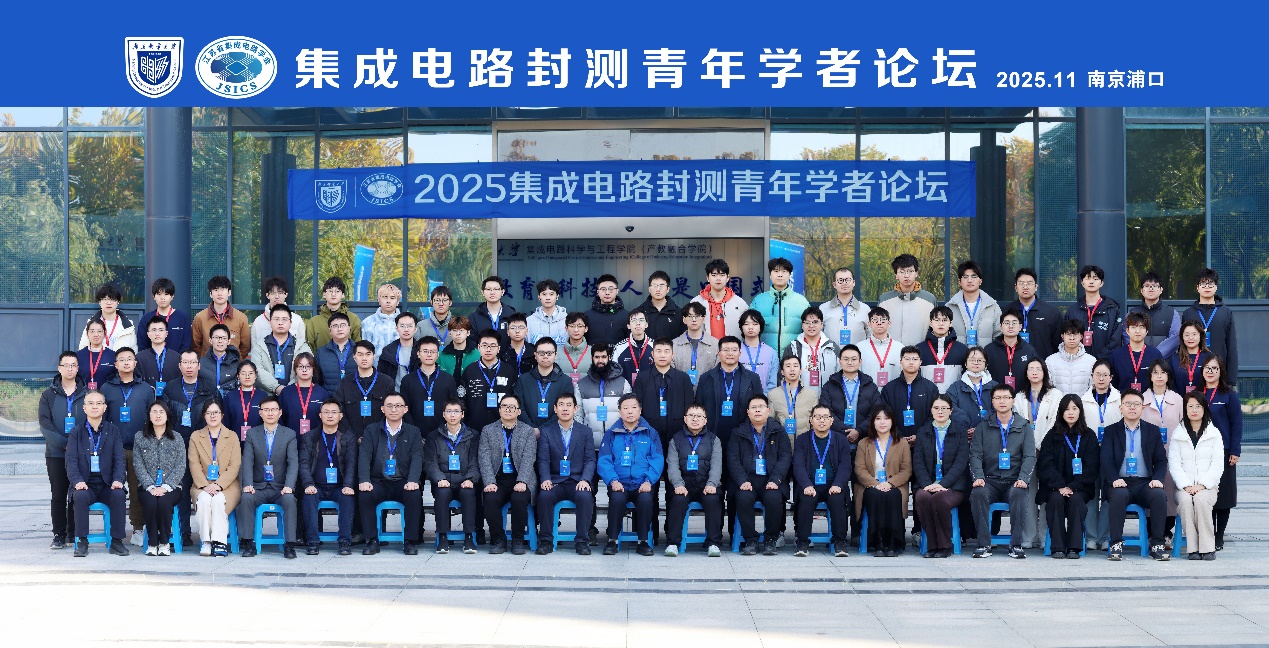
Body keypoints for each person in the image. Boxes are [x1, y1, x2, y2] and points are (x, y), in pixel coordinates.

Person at [1101, 389, 1170, 560]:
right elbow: (1105, 460)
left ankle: (1157, 544)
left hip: (1144, 483)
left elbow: (1161, 460)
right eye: (1128, 404)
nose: (1132, 407)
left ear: (1142, 408)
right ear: (1121, 407)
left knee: (1159, 495)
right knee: (1118, 495)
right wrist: (1114, 479)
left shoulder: (1152, 431)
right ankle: (1116, 544)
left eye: (1136, 404)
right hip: (1120, 482)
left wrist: (1157, 479)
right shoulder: (1110, 431)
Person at [969, 384, 1036, 559]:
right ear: (992, 402)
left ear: (1013, 400)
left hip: (1014, 480)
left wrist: (1023, 478)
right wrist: (978, 477)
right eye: (998, 398)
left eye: (1006, 397)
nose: (1002, 401)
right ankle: (984, 544)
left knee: (1019, 494)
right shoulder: (983, 427)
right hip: (989, 480)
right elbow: (975, 455)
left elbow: (1029, 456)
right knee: (977, 493)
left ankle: (1015, 544)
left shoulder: (1024, 426)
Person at [100, 347, 156, 546]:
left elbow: (152, 418)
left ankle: (137, 528)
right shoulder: (106, 388)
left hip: (138, 448)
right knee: (112, 489)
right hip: (112, 449)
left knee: (136, 490)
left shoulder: (146, 389)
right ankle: (113, 529)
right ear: (115, 364)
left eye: (129, 359)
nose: (126, 362)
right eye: (121, 359)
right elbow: (101, 419)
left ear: (135, 363)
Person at [357, 392, 425, 555]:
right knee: (365, 495)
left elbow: (417, 457)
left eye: (398, 406)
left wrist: (413, 480)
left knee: (414, 494)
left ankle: (410, 541)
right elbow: (364, 456)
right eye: (390, 406)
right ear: (383, 409)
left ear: (405, 409)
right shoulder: (371, 430)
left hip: (402, 481)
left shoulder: (413, 432)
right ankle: (372, 540)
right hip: (379, 481)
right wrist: (364, 480)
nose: (394, 409)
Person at [597, 394, 663, 556]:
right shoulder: (611, 433)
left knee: (646, 500)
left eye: (634, 407)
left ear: (640, 410)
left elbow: (657, 460)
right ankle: (612, 540)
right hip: (619, 483)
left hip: (643, 483)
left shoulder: (650, 433)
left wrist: (648, 481)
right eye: (625, 408)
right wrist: (613, 480)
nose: (630, 411)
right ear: (620, 412)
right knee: (617, 499)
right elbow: (604, 460)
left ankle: (643, 542)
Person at [166, 350, 220, 545]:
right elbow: (165, 417)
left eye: (193, 363)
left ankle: (210, 533)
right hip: (178, 445)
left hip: (204, 446)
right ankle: (184, 532)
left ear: (199, 365)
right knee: (181, 490)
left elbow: (217, 416)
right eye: (185, 363)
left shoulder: (209, 387)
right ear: (180, 366)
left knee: (205, 488)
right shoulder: (171, 388)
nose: (189, 366)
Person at [1035, 395, 1100, 558]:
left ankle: (1074, 547)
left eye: (1074, 408)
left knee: (1076, 500)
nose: (1070, 413)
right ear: (1061, 412)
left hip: (1080, 487)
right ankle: (1057, 546)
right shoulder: (1052, 435)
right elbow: (1045, 464)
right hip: (1055, 487)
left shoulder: (1089, 436)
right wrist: (1059, 485)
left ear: (1080, 411)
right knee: (1055, 499)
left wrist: (1072, 487)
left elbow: (1092, 467)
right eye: (1066, 409)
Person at [66, 390, 129, 557]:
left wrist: (118, 479)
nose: (95, 407)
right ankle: (82, 541)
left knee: (118, 495)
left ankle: (117, 541)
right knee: (79, 496)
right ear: (84, 408)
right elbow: (71, 461)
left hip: (107, 483)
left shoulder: (113, 431)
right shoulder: (76, 432)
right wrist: (77, 481)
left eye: (98, 403)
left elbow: (119, 459)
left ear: (104, 407)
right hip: (85, 483)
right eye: (91, 403)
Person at [727, 394, 791, 556]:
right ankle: (750, 540)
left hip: (771, 479)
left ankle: (771, 539)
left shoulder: (778, 431)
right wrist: (742, 480)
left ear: (768, 410)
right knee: (743, 497)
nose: (757, 410)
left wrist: (776, 480)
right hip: (747, 479)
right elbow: (732, 459)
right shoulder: (738, 433)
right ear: (748, 412)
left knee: (774, 498)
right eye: (753, 407)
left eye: (760, 407)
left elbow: (785, 457)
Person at [236, 396, 299, 558]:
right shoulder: (252, 434)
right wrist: (247, 484)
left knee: (290, 500)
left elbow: (293, 463)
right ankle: (248, 543)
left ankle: (289, 545)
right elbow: (247, 461)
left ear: (280, 412)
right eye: (266, 410)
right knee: (246, 498)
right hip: (258, 487)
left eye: (273, 410)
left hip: (280, 488)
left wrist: (289, 486)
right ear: (260, 413)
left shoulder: (289, 434)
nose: (270, 413)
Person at [535, 393, 596, 554]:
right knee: (545, 496)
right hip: (556, 481)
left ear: (575, 409)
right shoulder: (547, 432)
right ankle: (546, 540)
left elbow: (590, 460)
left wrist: (585, 480)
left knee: (585, 496)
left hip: (577, 481)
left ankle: (582, 541)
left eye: (569, 405)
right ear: (555, 409)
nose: (565, 408)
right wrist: (545, 479)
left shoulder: (585, 432)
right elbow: (543, 460)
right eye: (561, 405)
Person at [478, 394, 537, 555]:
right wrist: (489, 482)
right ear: (499, 410)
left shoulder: (527, 431)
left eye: (512, 407)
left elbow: (529, 458)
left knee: (519, 498)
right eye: (504, 406)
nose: (508, 410)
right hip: (497, 480)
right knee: (490, 498)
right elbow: (484, 458)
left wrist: (522, 481)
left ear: (519, 411)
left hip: (521, 479)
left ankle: (518, 538)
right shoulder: (488, 430)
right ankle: (498, 538)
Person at [664, 403, 724, 557]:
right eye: (691, 415)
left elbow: (717, 465)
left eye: (699, 416)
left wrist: (712, 484)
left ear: (705, 420)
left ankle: (713, 543)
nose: (695, 419)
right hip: (684, 485)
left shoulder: (714, 440)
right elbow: (672, 465)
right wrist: (678, 484)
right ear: (685, 419)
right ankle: (673, 543)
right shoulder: (676, 439)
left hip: (706, 484)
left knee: (712, 499)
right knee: (678, 500)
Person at [913, 395, 970, 558]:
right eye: (936, 408)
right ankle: (932, 545)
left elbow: (960, 463)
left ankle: (945, 545)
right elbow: (918, 462)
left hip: (953, 486)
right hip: (927, 484)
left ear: (951, 411)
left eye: (944, 408)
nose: (940, 411)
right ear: (931, 410)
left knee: (939, 499)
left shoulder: (959, 431)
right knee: (922, 498)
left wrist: (943, 484)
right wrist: (927, 484)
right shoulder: (923, 432)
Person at [792, 403, 852, 557]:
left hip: (833, 484)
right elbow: (798, 465)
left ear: (832, 420)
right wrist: (806, 485)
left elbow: (845, 466)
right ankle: (802, 542)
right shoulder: (802, 440)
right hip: (810, 484)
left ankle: (839, 542)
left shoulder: (841, 440)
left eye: (825, 417)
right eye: (818, 417)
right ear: (811, 420)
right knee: (806, 499)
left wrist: (838, 484)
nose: (822, 420)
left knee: (837, 500)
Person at [39, 352, 86, 549]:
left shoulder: (87, 393)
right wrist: (64, 443)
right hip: (56, 454)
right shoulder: (48, 395)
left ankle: (73, 532)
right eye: (66, 365)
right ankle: (58, 534)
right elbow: (45, 424)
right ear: (59, 369)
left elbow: (92, 420)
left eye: (73, 365)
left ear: (77, 368)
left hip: (80, 453)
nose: (70, 368)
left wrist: (76, 445)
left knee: (76, 493)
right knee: (58, 494)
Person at [1169, 392, 1223, 560]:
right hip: (1183, 488)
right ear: (1185, 409)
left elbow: (1217, 465)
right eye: (1190, 406)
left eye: (1198, 406)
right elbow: (1174, 464)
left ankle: (1207, 548)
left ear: (1204, 408)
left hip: (1208, 487)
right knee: (1185, 501)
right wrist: (1186, 485)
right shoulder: (1178, 435)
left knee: (1200, 499)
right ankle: (1192, 548)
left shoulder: (1214, 434)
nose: (1194, 410)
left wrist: (1202, 485)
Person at [1015, 358, 1063, 548]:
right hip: (1025, 451)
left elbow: (1055, 422)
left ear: (1044, 372)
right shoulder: (1019, 396)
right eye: (1030, 369)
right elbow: (1018, 422)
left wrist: (1041, 444)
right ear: (1026, 373)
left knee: (1046, 493)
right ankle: (1028, 536)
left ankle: (1044, 536)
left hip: (1048, 450)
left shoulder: (1055, 394)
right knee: (1027, 492)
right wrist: (1030, 446)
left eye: (1038, 369)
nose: (1034, 372)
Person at [299, 399, 356, 555]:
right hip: (316, 485)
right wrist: (308, 484)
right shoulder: (310, 437)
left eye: (334, 412)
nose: (330, 415)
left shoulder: (348, 437)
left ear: (340, 416)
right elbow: (304, 463)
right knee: (308, 497)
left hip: (339, 486)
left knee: (347, 498)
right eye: (326, 412)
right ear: (320, 415)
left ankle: (344, 542)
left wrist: (348, 485)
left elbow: (351, 464)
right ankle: (312, 541)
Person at [425, 399, 481, 555]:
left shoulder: (473, 435)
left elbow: (475, 461)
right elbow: (430, 463)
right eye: (449, 411)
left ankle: (469, 536)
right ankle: (442, 536)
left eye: (456, 411)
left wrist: (470, 479)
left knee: (469, 494)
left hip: (464, 481)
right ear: (443, 414)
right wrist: (439, 479)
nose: (452, 415)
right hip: (443, 481)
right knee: (442, 494)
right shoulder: (433, 436)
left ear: (462, 414)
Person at [854, 405, 911, 557]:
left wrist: (890, 483)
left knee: (892, 495)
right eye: (878, 418)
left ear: (892, 421)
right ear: (873, 422)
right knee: (875, 495)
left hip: (895, 485)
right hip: (870, 485)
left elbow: (906, 470)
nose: (882, 422)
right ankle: (878, 541)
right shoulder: (864, 443)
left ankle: (892, 541)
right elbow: (860, 470)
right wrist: (876, 484)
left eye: (886, 418)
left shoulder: (902, 443)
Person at [187, 401, 241, 557]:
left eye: (216, 412)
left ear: (222, 415)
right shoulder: (196, 436)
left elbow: (234, 465)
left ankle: (219, 541)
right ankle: (206, 541)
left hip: (227, 485)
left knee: (218, 500)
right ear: (204, 416)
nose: (212, 416)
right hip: (202, 484)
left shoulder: (232, 436)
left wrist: (218, 485)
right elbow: (194, 464)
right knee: (204, 499)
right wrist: (205, 485)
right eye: (209, 413)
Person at [132, 400, 186, 556]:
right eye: (154, 412)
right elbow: (138, 465)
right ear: (149, 416)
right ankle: (152, 543)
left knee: (163, 502)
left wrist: (166, 487)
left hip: (172, 487)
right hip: (147, 487)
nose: (158, 415)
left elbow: (180, 466)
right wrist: (150, 486)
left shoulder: (177, 438)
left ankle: (164, 542)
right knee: (150, 502)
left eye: (161, 412)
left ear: (167, 415)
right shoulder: (140, 437)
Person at [1200, 355, 1241, 551]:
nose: (1210, 372)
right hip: (1201, 452)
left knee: (1224, 495)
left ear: (1221, 371)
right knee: (1206, 493)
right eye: (1207, 368)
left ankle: (1219, 536)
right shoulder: (1197, 394)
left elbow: (1236, 424)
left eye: (1214, 368)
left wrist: (1235, 450)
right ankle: (1207, 533)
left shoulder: (1229, 395)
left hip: (1224, 452)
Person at [632, 338, 695, 460]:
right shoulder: (642, 378)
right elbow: (636, 407)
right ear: (652, 354)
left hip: (678, 434)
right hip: (649, 434)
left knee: (674, 467)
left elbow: (689, 407)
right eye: (659, 351)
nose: (662, 355)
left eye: (667, 351)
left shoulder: (683, 378)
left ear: (673, 354)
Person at [1141, 358, 1183, 539]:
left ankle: (1167, 532)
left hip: (1172, 455)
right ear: (1150, 376)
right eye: (1155, 373)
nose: (1159, 376)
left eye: (1163, 373)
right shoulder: (1142, 399)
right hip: (1148, 457)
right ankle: (1152, 533)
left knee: (1170, 491)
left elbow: (1184, 427)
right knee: (1152, 491)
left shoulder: (1178, 400)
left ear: (1168, 376)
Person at [696, 336, 765, 446]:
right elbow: (698, 408)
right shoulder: (706, 378)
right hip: (712, 436)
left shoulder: (752, 378)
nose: (730, 353)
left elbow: (760, 407)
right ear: (719, 353)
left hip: (744, 437)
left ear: (740, 353)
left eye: (734, 350)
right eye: (726, 350)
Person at [1082, 360, 1121, 549]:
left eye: (1105, 375)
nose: (1101, 378)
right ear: (1092, 377)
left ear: (1111, 377)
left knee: (1107, 495)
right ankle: (1090, 536)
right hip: (1089, 453)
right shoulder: (1083, 400)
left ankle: (1104, 537)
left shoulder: (1119, 399)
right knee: (1090, 494)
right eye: (1097, 374)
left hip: (1111, 453)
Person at [1183, 268, 1238, 386]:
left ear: (1216, 287)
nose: (1207, 287)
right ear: (1197, 287)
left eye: (1210, 283)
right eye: (1203, 283)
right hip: (1194, 373)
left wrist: (1230, 380)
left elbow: (1231, 346)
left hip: (1219, 373)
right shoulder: (1188, 313)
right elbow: (1182, 346)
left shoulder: (1226, 312)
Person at [460, 330, 520, 432]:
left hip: (502, 427)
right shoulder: (470, 370)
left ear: (498, 348)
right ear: (479, 347)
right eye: (484, 345)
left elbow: (515, 398)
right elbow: (462, 399)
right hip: (473, 427)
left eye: (492, 346)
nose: (488, 349)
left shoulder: (508, 371)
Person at [333, 341, 393, 439]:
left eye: (368, 354)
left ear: (374, 356)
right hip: (351, 440)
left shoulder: (386, 382)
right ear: (354, 357)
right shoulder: (345, 383)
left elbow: (391, 412)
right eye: (360, 354)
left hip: (379, 438)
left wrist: (375, 435)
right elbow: (339, 410)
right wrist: (353, 436)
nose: (364, 358)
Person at [400, 336, 459, 436]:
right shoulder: (408, 380)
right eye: (425, 351)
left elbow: (453, 406)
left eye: (433, 351)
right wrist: (414, 433)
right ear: (418, 354)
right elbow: (405, 409)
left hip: (442, 435)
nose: (429, 354)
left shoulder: (448, 379)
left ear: (438, 354)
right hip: (415, 435)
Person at [750, 258, 809, 352]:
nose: (780, 275)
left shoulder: (802, 302)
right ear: (770, 275)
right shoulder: (758, 301)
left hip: (793, 357)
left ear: (789, 275)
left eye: (784, 271)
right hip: (764, 356)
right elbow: (749, 330)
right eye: (776, 271)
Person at [575, 344, 631, 445]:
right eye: (597, 357)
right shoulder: (581, 385)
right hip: (590, 445)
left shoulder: (623, 383)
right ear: (592, 358)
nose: (600, 360)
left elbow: (629, 412)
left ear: (609, 358)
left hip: (617, 444)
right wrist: (582, 439)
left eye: (603, 357)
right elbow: (577, 415)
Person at [251, 304, 312, 396]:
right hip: (267, 397)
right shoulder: (260, 346)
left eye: (284, 319)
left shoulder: (301, 346)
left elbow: (309, 368)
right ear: (270, 322)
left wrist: (288, 389)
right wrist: (276, 387)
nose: (280, 323)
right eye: (276, 319)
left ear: (290, 323)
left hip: (296, 395)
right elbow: (257, 370)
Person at [1064, 265, 1123, 360]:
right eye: (1088, 278)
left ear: (1101, 283)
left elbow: (1115, 341)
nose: (1091, 282)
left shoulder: (1113, 310)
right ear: (1082, 282)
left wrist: (1099, 361)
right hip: (1077, 363)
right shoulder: (1072, 311)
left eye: (1095, 279)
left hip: (1104, 364)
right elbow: (1066, 337)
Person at [881, 346, 938, 444]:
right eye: (907, 359)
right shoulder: (889, 388)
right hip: (895, 441)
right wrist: (898, 435)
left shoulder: (930, 388)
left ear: (920, 362)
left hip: (924, 441)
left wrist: (919, 435)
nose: (911, 362)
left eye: (915, 359)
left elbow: (934, 415)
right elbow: (884, 415)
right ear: (901, 362)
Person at [877, 254, 937, 347]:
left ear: (916, 273)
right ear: (896, 275)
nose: (906, 275)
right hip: (890, 353)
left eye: (910, 271)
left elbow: (936, 330)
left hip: (920, 353)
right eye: (902, 272)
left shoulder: (929, 299)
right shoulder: (884, 300)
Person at [513, 337, 572, 431]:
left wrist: (543, 430)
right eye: (541, 353)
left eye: (549, 353)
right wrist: (532, 429)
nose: (545, 356)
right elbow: (519, 407)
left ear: (555, 355)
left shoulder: (565, 381)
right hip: (527, 431)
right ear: (535, 355)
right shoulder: (523, 380)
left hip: (556, 432)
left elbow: (565, 409)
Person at [1005, 268, 1063, 359]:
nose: (1025, 287)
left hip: (1043, 364)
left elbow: (1058, 343)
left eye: (1029, 283)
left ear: (1036, 287)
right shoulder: (1007, 311)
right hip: (1014, 363)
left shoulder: (1051, 312)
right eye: (1021, 283)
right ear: (1016, 287)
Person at [191, 275, 251, 358]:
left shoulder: (241, 318)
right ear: (210, 294)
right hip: (207, 364)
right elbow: (196, 346)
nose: (219, 294)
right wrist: (205, 361)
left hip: (233, 364)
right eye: (216, 290)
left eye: (223, 289)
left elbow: (245, 346)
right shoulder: (200, 318)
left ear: (229, 293)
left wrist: (236, 361)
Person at [947, 260, 1001, 348]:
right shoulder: (950, 307)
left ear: (980, 281)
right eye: (965, 277)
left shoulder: (993, 307)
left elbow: (999, 336)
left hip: (985, 355)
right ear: (959, 282)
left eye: (974, 276)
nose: (970, 280)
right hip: (958, 356)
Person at [1126, 272, 1180, 359]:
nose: (1151, 288)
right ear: (1141, 290)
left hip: (1164, 363)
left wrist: (1154, 356)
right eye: (1147, 286)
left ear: (1161, 290)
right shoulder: (1132, 312)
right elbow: (1126, 336)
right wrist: (1140, 355)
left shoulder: (1172, 313)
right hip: (1137, 361)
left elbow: (1175, 338)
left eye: (1155, 286)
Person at [690, 259, 748, 339]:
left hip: (731, 346)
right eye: (714, 275)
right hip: (704, 346)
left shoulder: (739, 303)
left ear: (728, 278)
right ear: (707, 278)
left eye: (722, 275)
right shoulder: (696, 302)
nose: (718, 278)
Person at [983, 309, 1039, 391]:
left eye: (1014, 323)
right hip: (995, 395)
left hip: (1022, 396)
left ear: (1020, 327)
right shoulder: (989, 350)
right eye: (1007, 323)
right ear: (1001, 327)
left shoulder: (1029, 350)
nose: (1011, 326)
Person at [783, 306, 838, 389]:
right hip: (800, 396)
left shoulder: (832, 347)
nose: (811, 326)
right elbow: (783, 375)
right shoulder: (793, 348)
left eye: (815, 322)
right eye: (807, 323)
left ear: (821, 325)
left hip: (827, 396)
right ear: (802, 325)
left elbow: (840, 373)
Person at [918, 306, 968, 393]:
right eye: (937, 320)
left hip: (953, 399)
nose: (941, 323)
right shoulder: (919, 350)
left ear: (950, 323)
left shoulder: (962, 350)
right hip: (926, 398)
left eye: (945, 320)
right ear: (931, 323)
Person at [250, 276, 307, 352]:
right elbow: (254, 350)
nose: (277, 297)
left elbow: (302, 350)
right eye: (273, 293)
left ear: (286, 294)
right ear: (267, 295)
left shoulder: (297, 320)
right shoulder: (258, 322)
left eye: (280, 293)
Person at [1110, 311, 1162, 393]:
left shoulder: (1155, 354)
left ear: (1146, 331)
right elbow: (1112, 383)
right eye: (1133, 327)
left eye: (1141, 327)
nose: (1137, 331)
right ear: (1127, 331)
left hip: (1148, 399)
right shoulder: (1116, 355)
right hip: (1122, 399)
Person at [947, 347, 996, 434]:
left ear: (986, 364)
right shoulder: (955, 387)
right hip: (963, 434)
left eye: (980, 360)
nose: (976, 363)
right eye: (972, 360)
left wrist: (981, 428)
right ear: (965, 363)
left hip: (989, 434)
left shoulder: (995, 387)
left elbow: (999, 409)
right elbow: (951, 408)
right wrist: (966, 427)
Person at [138, 277, 192, 355]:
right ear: (154, 296)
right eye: (159, 294)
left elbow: (186, 344)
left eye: (166, 294)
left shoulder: (182, 318)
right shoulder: (146, 318)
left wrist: (177, 359)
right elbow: (142, 345)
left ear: (172, 296)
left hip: (177, 361)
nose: (162, 298)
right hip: (151, 361)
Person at [279, 352, 329, 436]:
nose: (304, 370)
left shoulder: (322, 393)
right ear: (295, 369)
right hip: (291, 439)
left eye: (308, 366)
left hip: (316, 440)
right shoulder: (286, 392)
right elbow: (280, 419)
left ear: (313, 369)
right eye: (300, 366)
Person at [306, 276, 363, 349]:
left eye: (337, 291)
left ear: (342, 295)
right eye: (330, 291)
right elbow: (309, 350)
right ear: (324, 294)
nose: (333, 294)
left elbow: (358, 347)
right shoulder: (313, 322)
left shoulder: (353, 319)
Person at [78, 284, 137, 353]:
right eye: (105, 299)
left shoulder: (128, 326)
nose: (109, 303)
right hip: (97, 359)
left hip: (120, 359)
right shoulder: (91, 323)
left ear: (118, 302)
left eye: (112, 299)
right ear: (99, 302)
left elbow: (133, 351)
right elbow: (83, 348)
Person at [821, 266, 870, 351]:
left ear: (853, 283)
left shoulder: (865, 309)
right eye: (840, 280)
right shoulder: (823, 309)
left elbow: (870, 336)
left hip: (858, 357)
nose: (844, 283)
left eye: (847, 280)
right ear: (834, 285)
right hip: (830, 357)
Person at [769, 356, 818, 439]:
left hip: (805, 443)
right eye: (788, 366)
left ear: (800, 371)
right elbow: (771, 423)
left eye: (795, 366)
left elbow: (815, 423)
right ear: (782, 372)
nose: (792, 369)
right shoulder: (773, 395)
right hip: (782, 443)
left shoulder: (812, 395)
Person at [672, 302, 718, 386]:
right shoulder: (674, 344)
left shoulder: (715, 344)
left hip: (707, 391)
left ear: (703, 319)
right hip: (680, 390)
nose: (694, 319)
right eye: (690, 316)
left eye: (697, 316)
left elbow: (717, 372)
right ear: (684, 319)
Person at [1047, 319, 1096, 396]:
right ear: (1062, 336)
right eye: (1068, 334)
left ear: (1081, 336)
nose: (1072, 338)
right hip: (1058, 403)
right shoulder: (1051, 361)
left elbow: (1094, 388)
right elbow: (1047, 387)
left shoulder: (1091, 361)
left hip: (1083, 403)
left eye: (1075, 334)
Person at [633, 270, 686, 341]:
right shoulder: (639, 312)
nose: (658, 289)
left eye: (661, 285)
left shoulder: (678, 313)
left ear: (668, 289)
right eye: (655, 285)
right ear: (649, 289)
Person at [136, 317, 181, 395]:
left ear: (166, 334)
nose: (157, 333)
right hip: (147, 398)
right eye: (154, 330)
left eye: (161, 330)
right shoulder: (139, 358)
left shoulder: (177, 357)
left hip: (172, 398)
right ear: (148, 334)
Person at [376, 312, 420, 390]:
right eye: (402, 326)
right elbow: (381, 376)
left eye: (410, 326)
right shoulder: (388, 351)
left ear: (415, 329)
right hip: (394, 393)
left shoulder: (421, 350)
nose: (406, 329)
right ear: (396, 328)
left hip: (416, 392)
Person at [738, 309, 779, 392]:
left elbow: (773, 383)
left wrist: (762, 398)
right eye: (746, 324)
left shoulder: (771, 352)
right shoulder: (735, 351)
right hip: (740, 398)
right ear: (741, 327)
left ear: (761, 327)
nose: (750, 327)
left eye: (755, 324)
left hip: (764, 398)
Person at [223, 362, 265, 442]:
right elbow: (226, 422)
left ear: (256, 376)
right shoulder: (230, 396)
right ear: (238, 376)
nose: (247, 376)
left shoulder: (263, 396)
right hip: (234, 442)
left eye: (251, 373)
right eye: (243, 373)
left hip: (258, 442)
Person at [859, 307, 901, 386]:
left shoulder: (900, 348)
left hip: (893, 392)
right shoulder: (860, 348)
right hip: (868, 392)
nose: (879, 323)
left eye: (883, 320)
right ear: (869, 324)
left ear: (889, 323)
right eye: (875, 320)